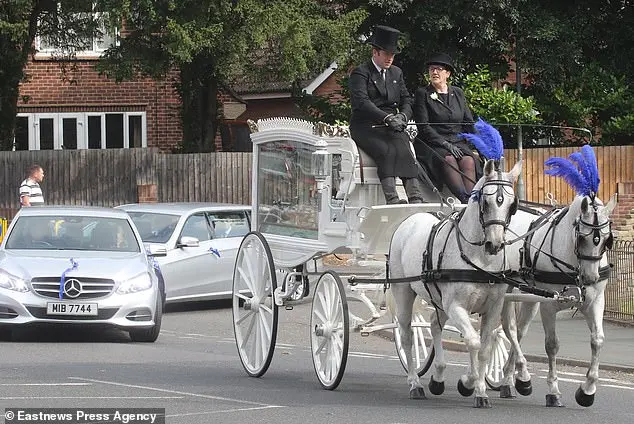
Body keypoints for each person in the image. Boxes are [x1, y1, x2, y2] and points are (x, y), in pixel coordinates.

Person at [349, 25, 424, 204]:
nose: (390, 58)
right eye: (387, 54)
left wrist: (403, 117)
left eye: (393, 55)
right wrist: (387, 118)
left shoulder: (396, 73)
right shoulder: (361, 73)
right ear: (376, 52)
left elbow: (406, 99)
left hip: (393, 124)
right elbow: (362, 102)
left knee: (405, 149)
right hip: (366, 125)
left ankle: (415, 197)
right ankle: (392, 198)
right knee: (386, 150)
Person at [413, 53, 480, 203]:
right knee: (449, 159)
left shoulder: (458, 93)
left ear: (447, 73)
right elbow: (423, 126)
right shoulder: (423, 94)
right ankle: (464, 200)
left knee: (469, 160)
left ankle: (473, 201)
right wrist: (445, 144)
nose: (434, 72)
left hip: (457, 142)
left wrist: (481, 145)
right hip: (433, 143)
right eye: (431, 69)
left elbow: (468, 122)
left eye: (438, 69)